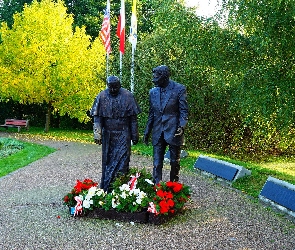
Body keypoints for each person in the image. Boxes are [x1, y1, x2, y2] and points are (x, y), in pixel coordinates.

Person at [90, 76, 141, 192]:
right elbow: (97, 118)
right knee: (108, 161)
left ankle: (121, 189)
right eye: (110, 87)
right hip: (108, 134)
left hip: (124, 132)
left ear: (119, 85)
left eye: (115, 87)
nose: (113, 90)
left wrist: (135, 134)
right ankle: (107, 188)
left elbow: (133, 118)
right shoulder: (102, 96)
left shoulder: (128, 96)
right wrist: (97, 133)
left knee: (123, 161)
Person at [143, 65, 188, 184]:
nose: (153, 80)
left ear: (164, 77)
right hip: (158, 131)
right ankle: (157, 187)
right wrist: (147, 131)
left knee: (174, 162)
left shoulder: (179, 89)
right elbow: (152, 113)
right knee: (157, 163)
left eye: (156, 77)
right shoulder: (152, 92)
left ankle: (174, 186)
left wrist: (181, 126)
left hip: (174, 130)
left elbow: (184, 111)